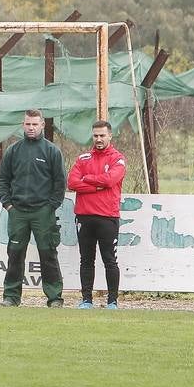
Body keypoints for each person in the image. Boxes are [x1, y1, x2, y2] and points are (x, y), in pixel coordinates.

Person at [0, 109, 66, 307]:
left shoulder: (52, 151)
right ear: (23, 125)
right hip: (17, 211)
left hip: (43, 212)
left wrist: (51, 206)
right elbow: (3, 179)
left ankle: (54, 298)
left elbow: (60, 182)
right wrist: (8, 204)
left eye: (35, 124)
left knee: (48, 253)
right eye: (28, 124)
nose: (31, 127)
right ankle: (11, 296)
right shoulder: (14, 150)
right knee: (15, 253)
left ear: (43, 125)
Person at [67, 119, 127, 309]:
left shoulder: (118, 159)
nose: (99, 139)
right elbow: (72, 183)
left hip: (107, 216)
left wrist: (88, 179)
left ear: (110, 135)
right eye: (95, 135)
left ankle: (112, 301)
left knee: (110, 260)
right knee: (86, 259)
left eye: (102, 135)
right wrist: (97, 185)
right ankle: (86, 300)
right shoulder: (83, 158)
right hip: (84, 216)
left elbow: (111, 180)